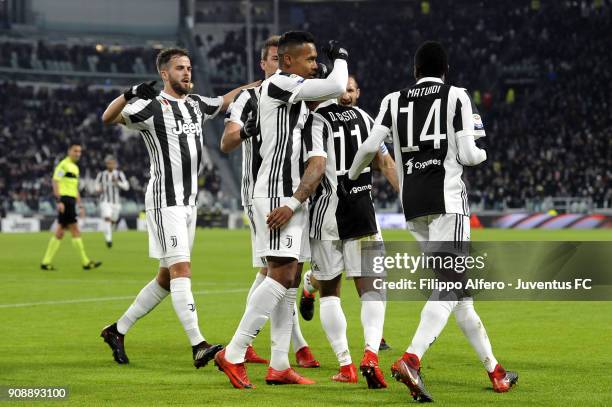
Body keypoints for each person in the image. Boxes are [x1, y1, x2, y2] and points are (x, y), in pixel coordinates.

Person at [349, 41, 518, 401]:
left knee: (460, 294)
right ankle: (411, 359)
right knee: (451, 285)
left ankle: (496, 371)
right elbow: (471, 156)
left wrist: (350, 175)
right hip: (448, 202)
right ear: (445, 70)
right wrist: (484, 151)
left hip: (414, 206)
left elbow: (368, 149)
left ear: (415, 71)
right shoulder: (457, 96)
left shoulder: (392, 100)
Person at [99, 47, 256, 368]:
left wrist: (267, 83)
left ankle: (118, 329)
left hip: (189, 203)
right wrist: (128, 95)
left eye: (189, 67)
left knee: (166, 278)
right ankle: (198, 344)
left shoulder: (197, 104)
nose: (187, 73)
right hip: (164, 201)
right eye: (180, 68)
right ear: (164, 74)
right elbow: (108, 118)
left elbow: (228, 98)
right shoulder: (151, 107)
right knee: (181, 270)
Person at [214, 31, 349, 389]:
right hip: (275, 196)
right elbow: (336, 84)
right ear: (288, 61)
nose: (316, 64)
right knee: (280, 274)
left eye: (317, 58)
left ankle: (279, 365)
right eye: (309, 58)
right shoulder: (280, 83)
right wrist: (342, 56)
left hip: (290, 197)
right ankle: (234, 352)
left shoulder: (295, 96)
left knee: (290, 280)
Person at [220, 35, 320, 368]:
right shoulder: (250, 96)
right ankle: (247, 348)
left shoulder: (299, 95)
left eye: (283, 58)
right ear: (265, 64)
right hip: (264, 190)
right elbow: (227, 141)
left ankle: (283, 359)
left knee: (288, 270)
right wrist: (247, 131)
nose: (280, 64)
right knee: (275, 270)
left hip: (293, 190)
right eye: (274, 59)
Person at [300, 82, 399, 388]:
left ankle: (347, 366)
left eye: (353, 90)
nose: (348, 94)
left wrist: (294, 202)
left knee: (331, 291)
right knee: (372, 289)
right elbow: (385, 161)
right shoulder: (368, 120)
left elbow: (315, 168)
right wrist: (407, 198)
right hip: (362, 216)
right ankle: (370, 355)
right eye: (344, 89)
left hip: (326, 217)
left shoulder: (315, 120)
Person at [41, 143, 101, 271]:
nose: (78, 153)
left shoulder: (75, 167)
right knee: (74, 230)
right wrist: (58, 201)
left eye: (79, 151)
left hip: (71, 200)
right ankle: (85, 262)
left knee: (60, 232)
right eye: (75, 151)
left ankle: (46, 262)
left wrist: (80, 205)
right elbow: (55, 181)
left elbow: (75, 188)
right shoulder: (63, 164)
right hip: (65, 200)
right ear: (69, 151)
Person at [94, 156, 130, 248]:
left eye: (112, 163)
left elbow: (126, 187)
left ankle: (108, 231)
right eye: (109, 163)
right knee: (107, 218)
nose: (111, 165)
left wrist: (117, 182)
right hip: (105, 201)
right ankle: (108, 239)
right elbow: (96, 186)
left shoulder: (119, 174)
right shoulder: (101, 174)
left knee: (113, 220)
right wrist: (98, 189)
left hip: (116, 202)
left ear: (115, 164)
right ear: (106, 164)